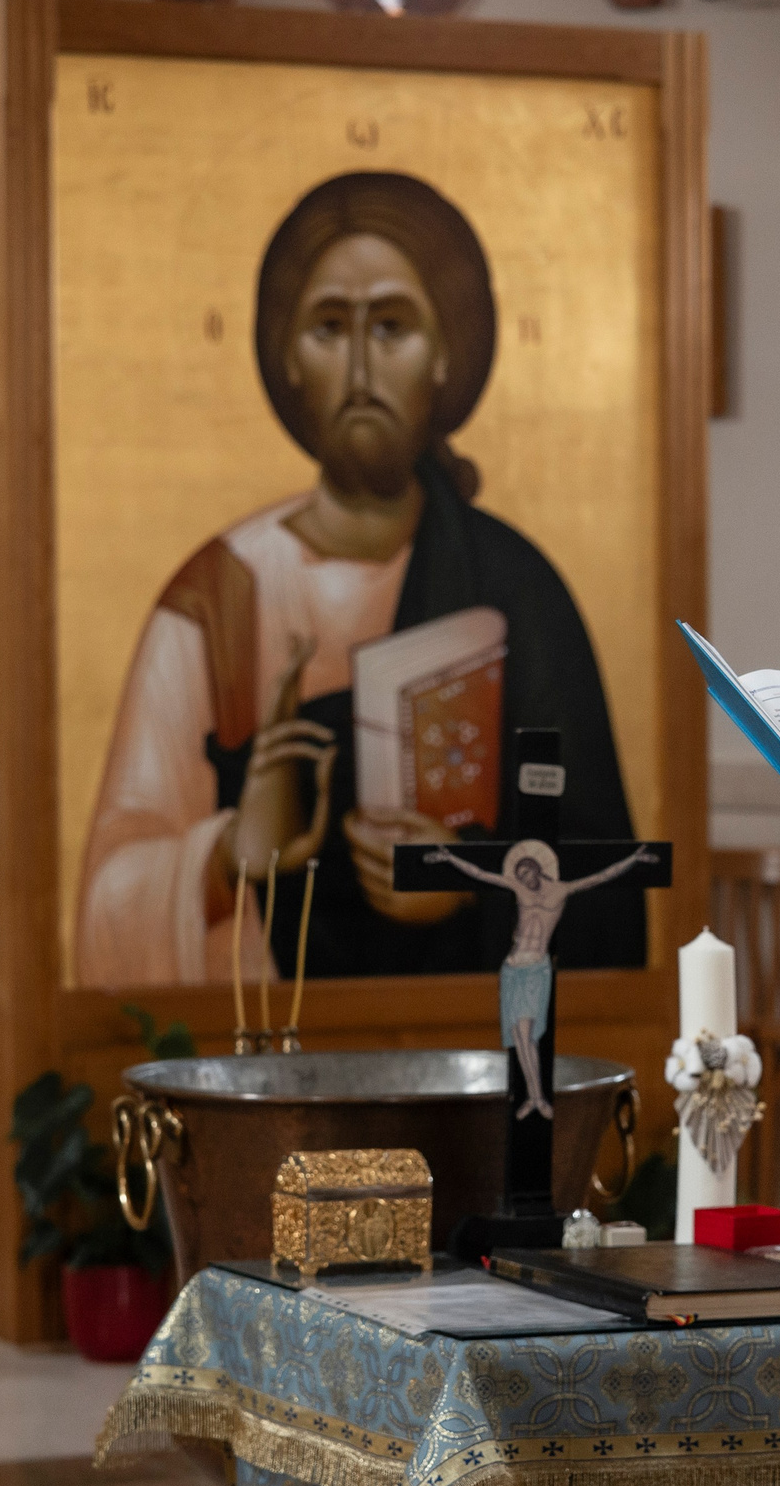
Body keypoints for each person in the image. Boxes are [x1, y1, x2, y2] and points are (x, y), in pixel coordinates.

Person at [76, 172, 639, 987]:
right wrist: (232, 850)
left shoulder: (516, 592)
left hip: (469, 1061)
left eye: (394, 326)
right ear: (289, 359)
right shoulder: (216, 599)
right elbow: (104, 900)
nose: (363, 364)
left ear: (445, 354)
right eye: (331, 327)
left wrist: (466, 884)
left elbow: (609, 885)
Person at [423, 839, 658, 1118]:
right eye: (519, 876)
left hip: (537, 969)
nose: (523, 880)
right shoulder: (519, 889)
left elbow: (601, 876)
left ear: (538, 870)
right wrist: (450, 858)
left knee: (530, 1036)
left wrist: (634, 860)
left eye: (527, 874)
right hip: (514, 969)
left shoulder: (560, 890)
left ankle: (536, 1097)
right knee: (521, 1037)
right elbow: (480, 874)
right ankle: (534, 1097)